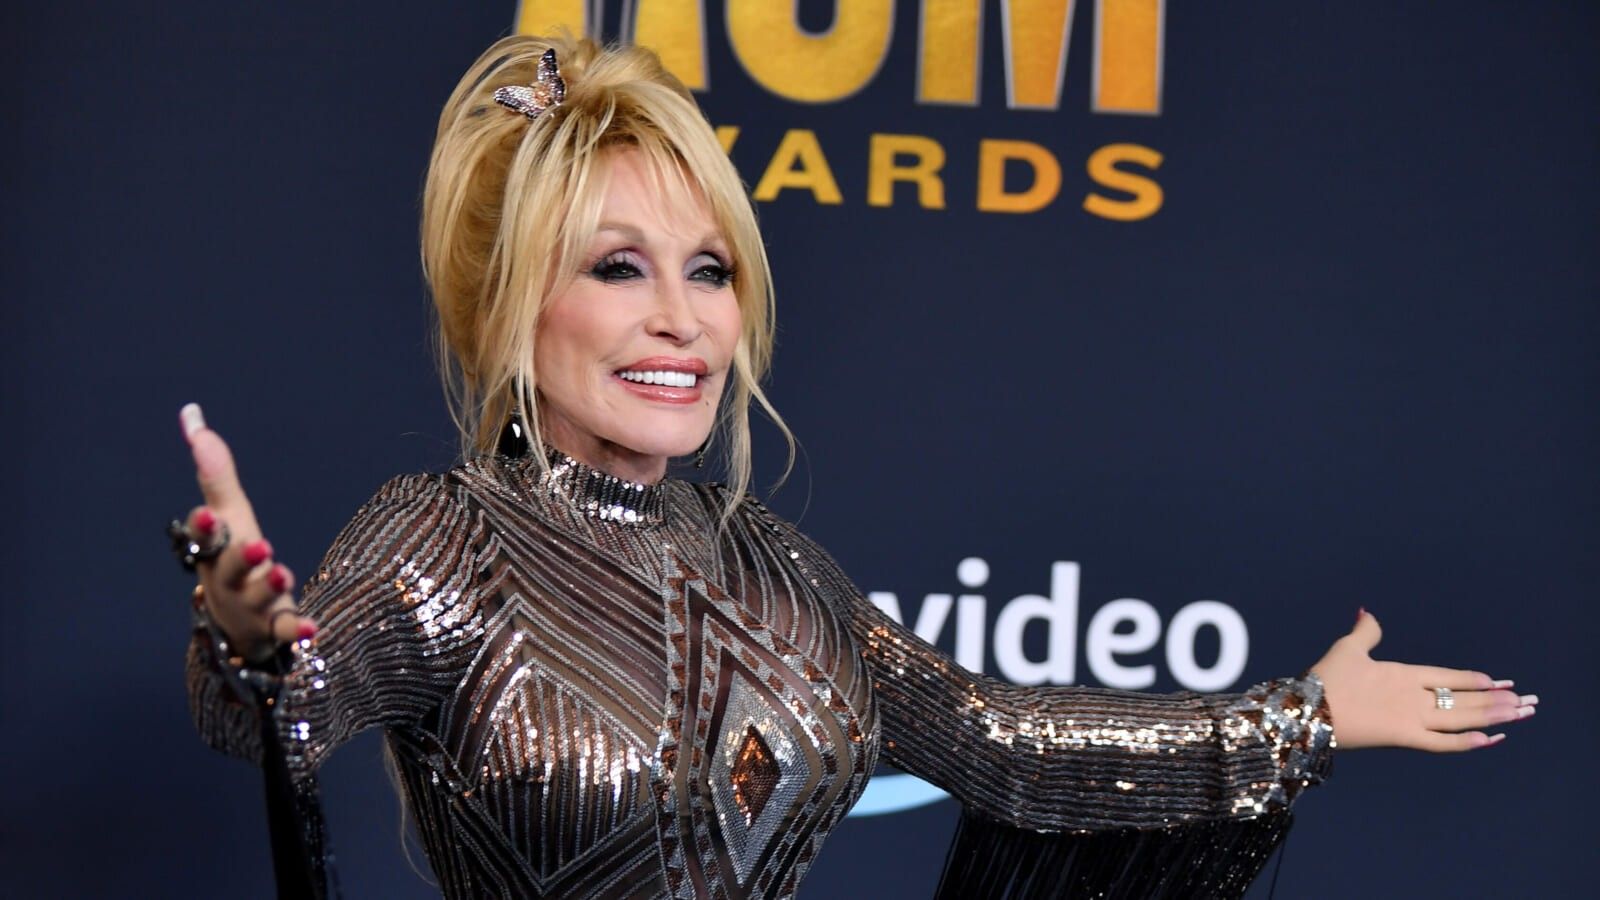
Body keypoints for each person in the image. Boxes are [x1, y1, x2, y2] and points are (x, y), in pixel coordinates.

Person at [173, 34, 1535, 900]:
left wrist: (1304, 717)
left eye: (708, 270)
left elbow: (1017, 752)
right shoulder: (441, 542)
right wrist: (247, 639)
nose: (681, 318)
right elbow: (274, 713)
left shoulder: (784, 575)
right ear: (514, 315)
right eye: (617, 269)